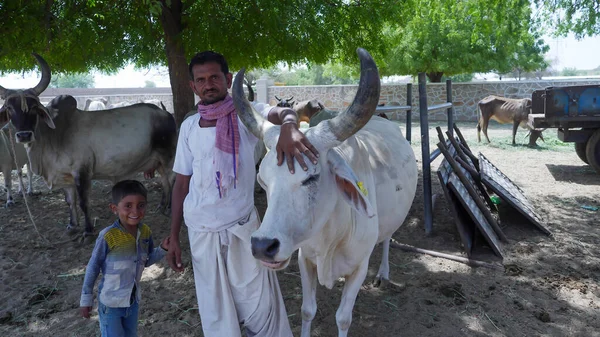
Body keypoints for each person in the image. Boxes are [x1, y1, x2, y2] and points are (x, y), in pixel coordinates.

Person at [166, 50, 319, 337]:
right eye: (200, 80)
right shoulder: (188, 127)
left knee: (259, 308)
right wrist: (174, 236)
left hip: (242, 227)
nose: (208, 84)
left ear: (227, 79)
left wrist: (289, 126)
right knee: (216, 310)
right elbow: (182, 184)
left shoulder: (248, 115)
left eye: (214, 77)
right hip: (200, 231)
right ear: (192, 86)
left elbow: (285, 112)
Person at [80, 180, 170, 337]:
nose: (135, 210)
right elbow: (93, 267)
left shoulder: (145, 232)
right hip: (111, 304)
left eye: (141, 205)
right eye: (128, 205)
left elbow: (146, 260)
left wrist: (162, 249)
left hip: (132, 302)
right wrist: (86, 299)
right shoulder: (108, 236)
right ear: (114, 208)